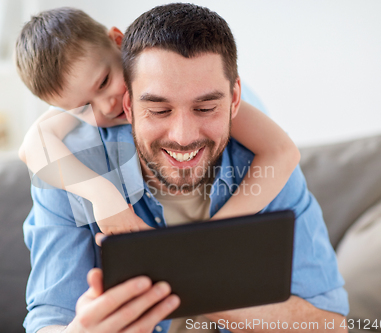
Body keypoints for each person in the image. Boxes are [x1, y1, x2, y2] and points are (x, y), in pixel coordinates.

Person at [21, 4, 349, 333]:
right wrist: (101, 194)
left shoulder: (255, 155)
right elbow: (48, 318)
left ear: (232, 99)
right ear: (129, 104)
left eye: (205, 107)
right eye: (159, 109)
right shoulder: (70, 162)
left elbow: (330, 325)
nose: (183, 135)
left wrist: (191, 259)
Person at [16, 7, 300, 236]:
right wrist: (102, 195)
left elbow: (282, 151)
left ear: (118, 41)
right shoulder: (98, 101)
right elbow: (32, 145)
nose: (106, 107)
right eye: (82, 109)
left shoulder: (194, 93)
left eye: (104, 82)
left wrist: (215, 233)